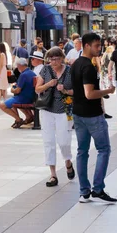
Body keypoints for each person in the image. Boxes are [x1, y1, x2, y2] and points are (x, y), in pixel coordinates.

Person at [70, 33, 117, 203]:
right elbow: (89, 94)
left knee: (82, 152)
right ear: (87, 45)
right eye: (97, 46)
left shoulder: (75, 64)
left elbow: (75, 90)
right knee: (103, 149)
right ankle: (97, 188)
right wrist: (108, 91)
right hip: (92, 114)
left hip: (78, 113)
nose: (99, 49)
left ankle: (84, 191)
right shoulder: (87, 67)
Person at [35, 47, 75, 187]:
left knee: (64, 141)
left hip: (64, 110)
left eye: (57, 58)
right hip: (47, 109)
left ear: (62, 58)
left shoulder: (69, 71)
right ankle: (53, 175)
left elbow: (76, 91)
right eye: (51, 59)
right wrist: (48, 84)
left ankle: (68, 162)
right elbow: (37, 89)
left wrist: (64, 90)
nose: (54, 61)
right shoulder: (45, 70)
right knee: (48, 142)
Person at [0, 58, 37, 128]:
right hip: (31, 97)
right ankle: (29, 116)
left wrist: (12, 90)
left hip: (23, 98)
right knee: (13, 100)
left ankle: (18, 119)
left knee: (2, 105)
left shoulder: (23, 75)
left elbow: (17, 90)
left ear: (19, 65)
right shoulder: (32, 73)